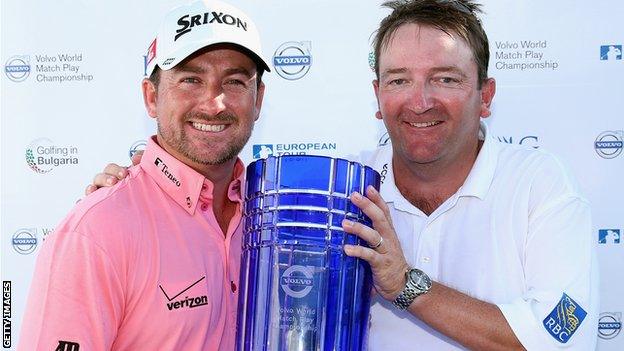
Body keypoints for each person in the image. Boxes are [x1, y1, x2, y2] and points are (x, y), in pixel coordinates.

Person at [88, 0, 599, 350]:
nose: (420, 102)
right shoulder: (344, 186)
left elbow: (557, 338)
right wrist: (140, 190)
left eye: (445, 79)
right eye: (400, 80)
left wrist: (406, 286)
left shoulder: (540, 186)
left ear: (485, 96)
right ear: (378, 97)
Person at [18, 1, 269, 350]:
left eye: (236, 81)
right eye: (191, 80)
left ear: (258, 102)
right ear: (151, 97)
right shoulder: (96, 231)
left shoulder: (276, 217)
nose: (214, 103)